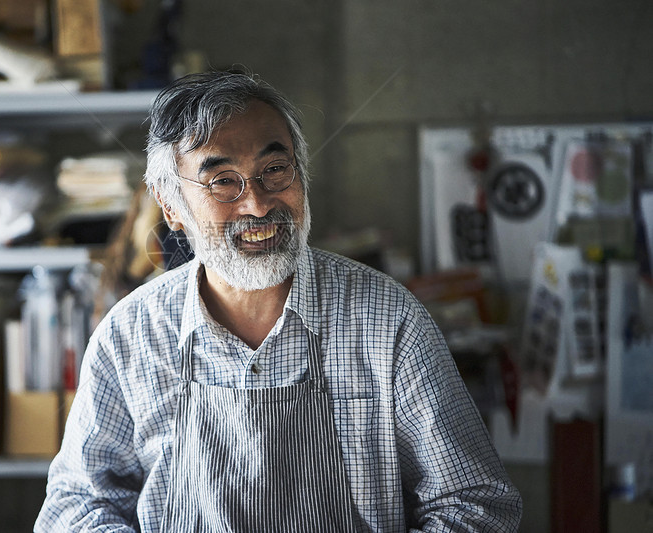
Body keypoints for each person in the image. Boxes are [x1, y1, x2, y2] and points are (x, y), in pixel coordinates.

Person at [36, 70, 522, 532]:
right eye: (222, 181)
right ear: (171, 208)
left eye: (274, 169)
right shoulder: (130, 335)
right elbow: (77, 504)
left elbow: (476, 502)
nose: (258, 203)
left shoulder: (389, 321)